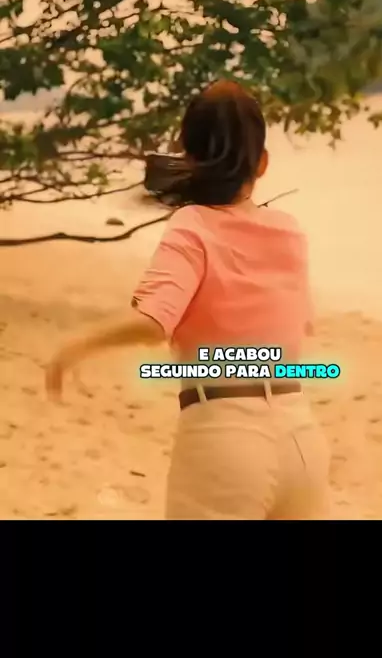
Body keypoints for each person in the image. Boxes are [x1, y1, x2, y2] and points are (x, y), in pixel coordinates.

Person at [45, 80, 331, 520]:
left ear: (189, 156)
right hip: (302, 438)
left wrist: (75, 347)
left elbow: (154, 320)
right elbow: (298, 328)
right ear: (263, 163)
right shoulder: (289, 231)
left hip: (225, 437)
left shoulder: (191, 225)